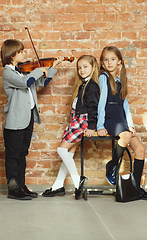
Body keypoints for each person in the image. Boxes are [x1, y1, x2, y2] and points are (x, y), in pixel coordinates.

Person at [0, 39, 64, 200]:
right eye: (21, 51)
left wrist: (53, 67)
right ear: (12, 55)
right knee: (13, 156)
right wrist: (39, 69)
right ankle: (13, 189)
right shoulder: (8, 73)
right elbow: (25, 83)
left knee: (22, 154)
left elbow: (41, 82)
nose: (25, 54)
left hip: (27, 119)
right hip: (15, 121)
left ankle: (21, 186)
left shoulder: (23, 71)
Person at [97, 46, 147, 201]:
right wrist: (100, 125)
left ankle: (135, 189)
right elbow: (101, 103)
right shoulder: (103, 78)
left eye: (113, 59)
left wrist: (131, 125)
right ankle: (112, 165)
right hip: (110, 118)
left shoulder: (120, 81)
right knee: (124, 136)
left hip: (121, 119)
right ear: (102, 63)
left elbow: (126, 106)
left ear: (120, 63)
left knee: (140, 150)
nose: (109, 62)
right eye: (106, 60)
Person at [42, 55, 100, 200]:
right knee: (69, 153)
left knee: (61, 149)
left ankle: (77, 181)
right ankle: (58, 185)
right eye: (79, 67)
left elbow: (93, 108)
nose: (82, 70)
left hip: (83, 121)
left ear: (93, 68)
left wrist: (91, 127)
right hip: (76, 120)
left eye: (85, 67)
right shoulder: (82, 85)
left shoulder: (92, 86)